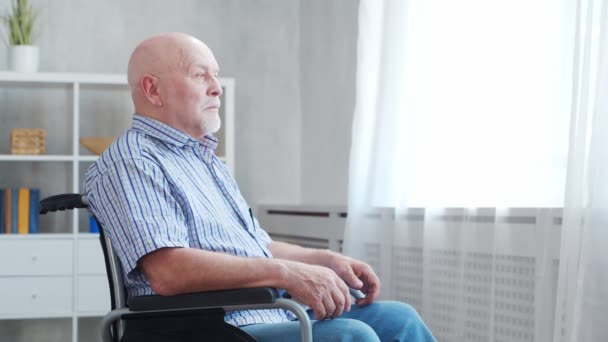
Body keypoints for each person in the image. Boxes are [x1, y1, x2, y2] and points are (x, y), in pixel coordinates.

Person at [84, 32, 435, 342]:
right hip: (206, 325)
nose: (215, 87)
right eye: (199, 74)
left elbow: (255, 246)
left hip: (268, 312)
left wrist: (324, 260)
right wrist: (287, 273)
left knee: (399, 319)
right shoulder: (133, 161)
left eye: (215, 75)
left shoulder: (204, 159)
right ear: (152, 89)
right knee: (351, 336)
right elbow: (168, 272)